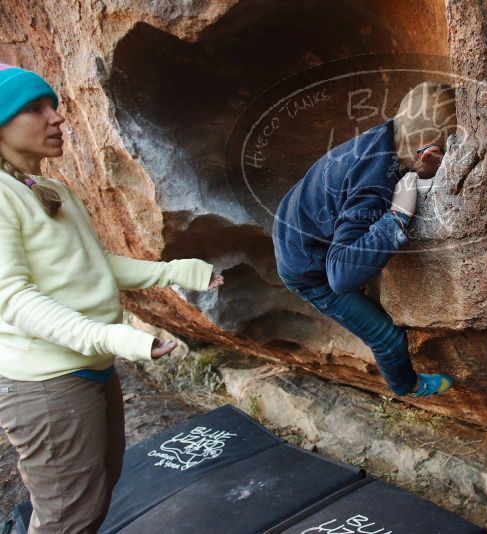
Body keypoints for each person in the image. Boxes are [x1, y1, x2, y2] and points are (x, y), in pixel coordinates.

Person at [0, 64, 223, 533]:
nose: (56, 118)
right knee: (68, 518)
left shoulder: (49, 188)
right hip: (47, 382)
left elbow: (95, 264)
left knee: (95, 493)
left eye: (54, 107)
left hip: (90, 366)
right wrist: (114, 337)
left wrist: (176, 272)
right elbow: (12, 299)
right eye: (34, 108)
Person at [273, 81, 457, 398]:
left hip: (299, 220)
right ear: (429, 153)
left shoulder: (395, 135)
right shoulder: (373, 188)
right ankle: (406, 386)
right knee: (388, 338)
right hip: (306, 267)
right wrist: (396, 216)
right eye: (451, 152)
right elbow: (340, 277)